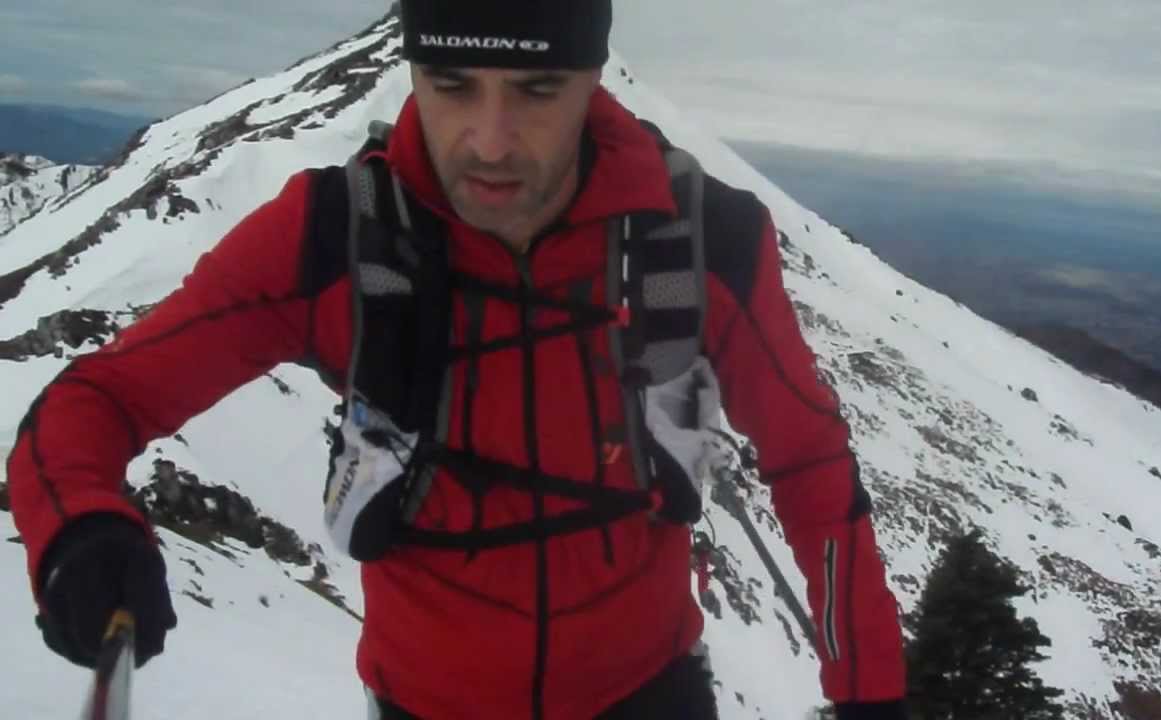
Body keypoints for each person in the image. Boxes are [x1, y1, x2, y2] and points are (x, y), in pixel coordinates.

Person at [7, 2, 907, 718]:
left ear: (597, 77)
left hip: (651, 695)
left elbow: (811, 464)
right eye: (450, 82)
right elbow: (95, 400)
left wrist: (868, 692)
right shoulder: (334, 242)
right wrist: (79, 530)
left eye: (537, 88)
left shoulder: (702, 244)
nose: (488, 140)